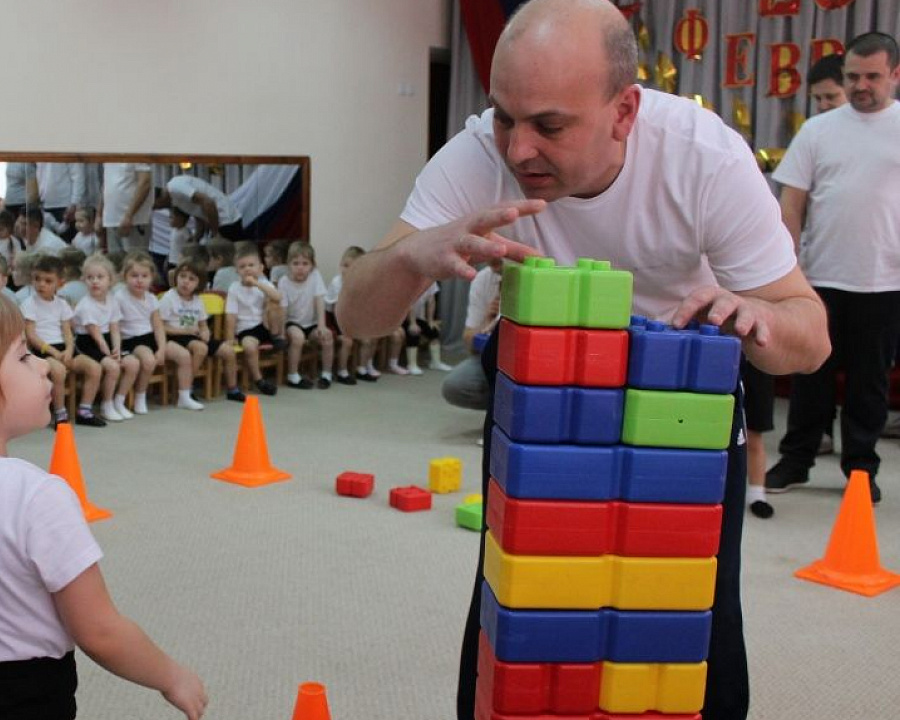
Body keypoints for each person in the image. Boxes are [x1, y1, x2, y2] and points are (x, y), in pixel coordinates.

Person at [335, 2, 830, 719]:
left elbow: (811, 336)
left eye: (550, 125)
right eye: (505, 115)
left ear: (625, 110)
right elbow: (356, 315)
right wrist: (411, 256)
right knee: (523, 611)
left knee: (685, 625)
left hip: (679, 396)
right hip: (544, 389)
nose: (517, 149)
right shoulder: (478, 151)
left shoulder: (706, 157)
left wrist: (759, 320)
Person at [0, 283, 207, 720]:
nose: (45, 364)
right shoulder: (37, 496)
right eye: (23, 357)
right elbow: (99, 630)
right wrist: (171, 676)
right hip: (27, 696)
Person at [766, 32, 900, 507]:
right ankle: (796, 459)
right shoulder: (819, 130)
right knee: (809, 372)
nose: (861, 85)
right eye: (853, 77)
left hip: (884, 280)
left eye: (871, 77)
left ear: (895, 75)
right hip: (820, 276)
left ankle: (861, 467)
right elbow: (792, 201)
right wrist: (787, 263)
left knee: (870, 380)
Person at [72, 254, 140, 424]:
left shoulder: (112, 300)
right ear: (84, 280)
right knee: (113, 367)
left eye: (100, 277)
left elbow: (115, 328)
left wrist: (117, 348)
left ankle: (119, 400)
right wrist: (110, 355)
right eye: (90, 277)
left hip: (108, 340)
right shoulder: (85, 305)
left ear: (110, 280)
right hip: (89, 343)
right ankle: (106, 404)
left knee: (133, 363)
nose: (95, 281)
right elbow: (96, 335)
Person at [223, 242, 286, 398]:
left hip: (265, 325)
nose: (247, 269)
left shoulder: (263, 283)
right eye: (242, 266)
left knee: (274, 304)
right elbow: (231, 314)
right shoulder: (234, 288)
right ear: (237, 271)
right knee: (249, 347)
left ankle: (276, 336)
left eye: (251, 265)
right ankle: (259, 380)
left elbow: (278, 297)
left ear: (260, 268)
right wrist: (230, 337)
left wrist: (257, 284)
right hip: (247, 329)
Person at [158, 259, 222, 411]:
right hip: (172, 335)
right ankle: (186, 391)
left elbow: (203, 324)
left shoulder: (197, 300)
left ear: (199, 284)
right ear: (176, 277)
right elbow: (160, 326)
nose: (185, 282)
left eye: (191, 279)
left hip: (190, 335)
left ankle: (186, 388)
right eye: (183, 276)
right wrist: (186, 331)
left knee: (205, 348)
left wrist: (206, 331)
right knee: (198, 349)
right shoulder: (169, 297)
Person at [440, 258, 502, 412]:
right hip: (491, 357)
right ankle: (498, 414)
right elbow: (468, 341)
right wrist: (487, 321)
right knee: (455, 386)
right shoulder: (483, 278)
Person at [21, 254, 74, 427]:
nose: (41, 284)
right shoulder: (30, 304)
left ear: (60, 283)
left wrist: (69, 350)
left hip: (61, 348)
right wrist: (54, 352)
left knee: (94, 368)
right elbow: (31, 336)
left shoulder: (62, 304)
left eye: (48, 280)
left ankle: (86, 409)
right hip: (41, 350)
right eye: (37, 279)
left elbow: (67, 332)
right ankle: (60, 413)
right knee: (58, 371)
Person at [113, 252, 167, 416]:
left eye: (144, 276)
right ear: (124, 276)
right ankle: (126, 398)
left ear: (152, 278)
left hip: (148, 337)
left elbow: (158, 326)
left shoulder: (151, 299)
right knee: (148, 360)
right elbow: (114, 325)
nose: (139, 280)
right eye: (134, 275)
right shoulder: (119, 297)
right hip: (130, 339)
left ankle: (140, 395)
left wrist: (162, 348)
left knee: (177, 353)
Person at [278, 241, 334, 389]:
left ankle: (327, 374)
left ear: (312, 265)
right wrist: (282, 331)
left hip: (312, 323)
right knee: (298, 337)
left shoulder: (315, 276)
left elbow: (319, 300)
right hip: (293, 322)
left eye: (305, 263)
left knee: (327, 336)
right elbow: (282, 308)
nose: (300, 268)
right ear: (288, 264)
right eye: (295, 263)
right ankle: (293, 375)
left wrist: (322, 325)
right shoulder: (284, 282)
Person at [157, 175, 244, 241]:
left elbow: (208, 202)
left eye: (156, 207)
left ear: (158, 200)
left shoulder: (175, 187)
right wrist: (196, 238)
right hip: (219, 223)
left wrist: (215, 233)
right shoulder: (174, 199)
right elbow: (199, 214)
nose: (159, 209)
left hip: (226, 220)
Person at [324, 246, 363, 385]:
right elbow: (336, 310)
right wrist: (346, 329)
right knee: (347, 341)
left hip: (349, 317)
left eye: (353, 267)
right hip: (333, 319)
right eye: (345, 266)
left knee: (369, 337)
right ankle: (342, 371)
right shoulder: (337, 282)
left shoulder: (359, 284)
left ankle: (363, 368)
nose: (347, 270)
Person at [100, 163, 152, 252]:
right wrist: (99, 214)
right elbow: (106, 183)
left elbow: (145, 183)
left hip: (134, 221)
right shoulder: (109, 154)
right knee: (114, 262)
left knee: (135, 261)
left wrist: (129, 216)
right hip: (111, 219)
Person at [38, 162, 89, 237]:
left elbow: (78, 176)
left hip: (65, 206)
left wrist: (74, 203)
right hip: (44, 204)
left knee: (67, 245)